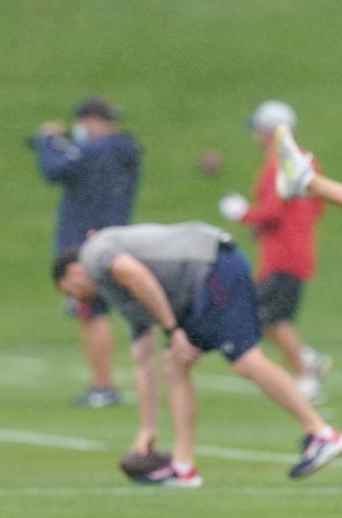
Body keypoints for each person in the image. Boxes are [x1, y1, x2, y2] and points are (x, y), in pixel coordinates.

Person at [53, 222, 342, 487]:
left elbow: (137, 274)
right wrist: (146, 430)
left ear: (73, 271)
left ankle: (322, 433)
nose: (75, 299)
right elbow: (143, 358)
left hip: (214, 267)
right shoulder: (112, 290)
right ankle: (183, 466)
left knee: (245, 360)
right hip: (197, 286)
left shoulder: (93, 254)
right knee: (174, 364)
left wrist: (172, 328)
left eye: (70, 290)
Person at [217, 101, 329, 403]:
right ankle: (307, 360)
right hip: (295, 250)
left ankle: (307, 373)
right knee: (270, 315)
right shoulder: (307, 162)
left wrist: (242, 214)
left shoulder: (278, 165)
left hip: (283, 254)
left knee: (267, 316)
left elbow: (272, 211)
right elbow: (315, 207)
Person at [33, 97, 142, 407]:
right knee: (94, 313)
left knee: (91, 313)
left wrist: (47, 140)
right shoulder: (124, 149)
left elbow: (54, 169)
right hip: (112, 235)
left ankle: (103, 385)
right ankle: (103, 384)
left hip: (85, 241)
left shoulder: (96, 149)